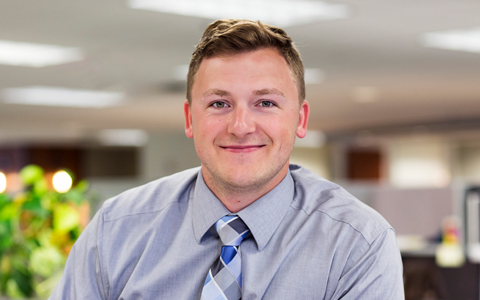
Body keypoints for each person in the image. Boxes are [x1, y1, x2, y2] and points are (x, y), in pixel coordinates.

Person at [49, 19, 404, 299]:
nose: (240, 126)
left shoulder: (358, 243)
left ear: (301, 119)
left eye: (266, 103)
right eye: (219, 103)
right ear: (190, 119)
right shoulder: (117, 228)